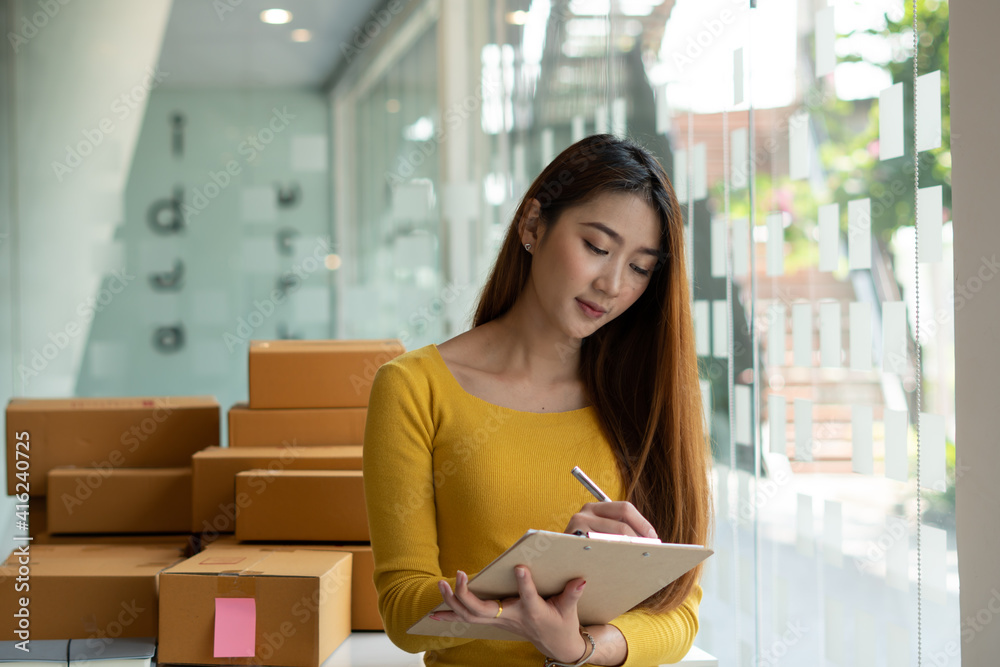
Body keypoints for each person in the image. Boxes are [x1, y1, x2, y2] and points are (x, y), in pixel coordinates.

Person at [362, 133, 712, 667]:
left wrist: (580, 648)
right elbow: (404, 612)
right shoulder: (415, 388)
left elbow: (680, 612)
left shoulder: (646, 397)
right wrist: (539, 580)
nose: (612, 283)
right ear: (532, 226)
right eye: (596, 247)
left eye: (640, 267)